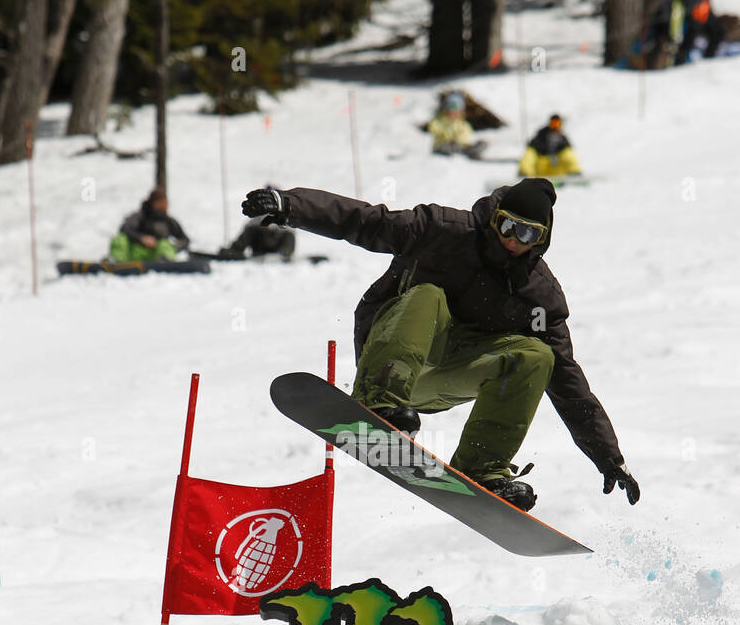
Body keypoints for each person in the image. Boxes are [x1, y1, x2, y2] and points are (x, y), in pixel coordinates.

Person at [241, 179, 639, 512]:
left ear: (542, 240)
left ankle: (482, 467)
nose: (514, 242)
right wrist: (292, 206)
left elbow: (568, 382)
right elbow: (366, 221)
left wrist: (607, 454)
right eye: (507, 227)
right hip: (393, 356)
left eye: (528, 234)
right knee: (428, 294)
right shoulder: (443, 231)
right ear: (493, 219)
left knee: (538, 356)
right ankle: (377, 400)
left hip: (446, 376)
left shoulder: (539, 296)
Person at [109, 188, 190, 263]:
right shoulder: (140, 216)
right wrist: (141, 238)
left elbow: (184, 240)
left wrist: (174, 246)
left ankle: (166, 262)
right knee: (120, 239)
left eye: (165, 202)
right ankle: (116, 262)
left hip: (156, 254)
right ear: (153, 203)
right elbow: (125, 229)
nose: (164, 205)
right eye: (161, 202)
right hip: (136, 252)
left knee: (165, 244)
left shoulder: (168, 221)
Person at [519, 114, 582, 180]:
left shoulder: (562, 139)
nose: (555, 127)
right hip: (541, 172)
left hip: (557, 172)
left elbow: (569, 155)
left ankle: (574, 173)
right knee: (530, 152)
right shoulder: (540, 136)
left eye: (557, 124)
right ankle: (525, 174)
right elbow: (531, 149)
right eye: (553, 123)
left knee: (567, 152)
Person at [427, 91, 484, 159]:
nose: (453, 112)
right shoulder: (439, 119)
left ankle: (471, 152)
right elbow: (433, 128)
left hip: (459, 147)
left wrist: (459, 141)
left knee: (478, 145)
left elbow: (466, 136)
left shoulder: (462, 123)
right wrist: (447, 128)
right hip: (442, 145)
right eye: (451, 109)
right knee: (446, 147)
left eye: (456, 110)